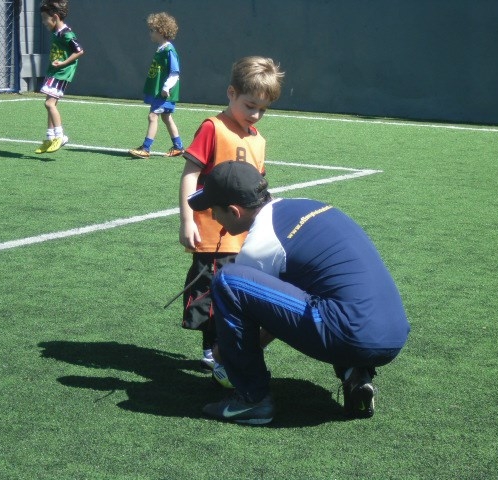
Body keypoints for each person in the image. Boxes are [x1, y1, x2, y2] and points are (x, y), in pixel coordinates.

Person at [187, 161, 411, 425]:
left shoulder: (259, 246)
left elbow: (259, 318)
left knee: (228, 280)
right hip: (394, 333)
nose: (213, 217)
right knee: (330, 294)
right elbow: (284, 307)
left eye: (214, 209)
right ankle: (355, 374)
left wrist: (226, 354)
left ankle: (251, 400)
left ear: (234, 212)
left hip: (351, 332)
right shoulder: (309, 204)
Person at [178, 57, 284, 383]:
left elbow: (259, 189)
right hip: (211, 232)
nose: (255, 115)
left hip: (245, 235)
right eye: (250, 105)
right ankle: (212, 349)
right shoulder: (213, 127)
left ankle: (227, 345)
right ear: (231, 93)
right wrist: (187, 219)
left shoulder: (258, 139)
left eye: (262, 110)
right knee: (211, 291)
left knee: (239, 292)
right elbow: (190, 173)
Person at [129, 12, 184, 159]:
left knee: (153, 116)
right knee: (166, 117)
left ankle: (146, 149)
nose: (150, 33)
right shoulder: (161, 49)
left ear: (161, 32)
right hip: (160, 92)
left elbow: (175, 72)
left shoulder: (169, 50)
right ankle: (178, 147)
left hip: (164, 93)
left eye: (152, 30)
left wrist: (166, 88)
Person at [34, 0, 84, 154]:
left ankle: (60, 136)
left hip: (61, 73)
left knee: (50, 104)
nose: (43, 22)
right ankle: (49, 138)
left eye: (44, 19)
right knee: (48, 104)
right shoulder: (56, 32)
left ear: (54, 17)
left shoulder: (66, 33)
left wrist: (63, 64)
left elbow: (79, 51)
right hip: (53, 72)